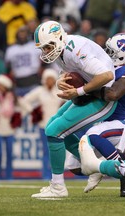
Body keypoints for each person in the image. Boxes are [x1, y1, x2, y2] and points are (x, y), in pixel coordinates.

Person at [31, 20, 117, 198]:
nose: (46, 52)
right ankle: (93, 166)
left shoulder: (75, 49)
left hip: (103, 96)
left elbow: (107, 75)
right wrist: (59, 80)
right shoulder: (63, 49)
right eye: (43, 48)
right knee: (53, 125)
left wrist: (78, 91)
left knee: (54, 131)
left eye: (48, 46)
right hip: (90, 92)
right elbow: (72, 72)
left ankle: (58, 187)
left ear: (60, 37)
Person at [66, 33, 125, 197]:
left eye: (110, 50)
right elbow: (84, 99)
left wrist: (86, 88)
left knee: (92, 134)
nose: (106, 53)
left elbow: (112, 94)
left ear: (123, 53)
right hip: (105, 125)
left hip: (123, 125)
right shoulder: (105, 69)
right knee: (74, 165)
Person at [23, 69, 65, 179]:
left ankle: (57, 173)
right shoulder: (39, 91)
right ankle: (46, 174)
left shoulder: (58, 91)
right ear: (44, 80)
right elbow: (25, 100)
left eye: (51, 79)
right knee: (46, 151)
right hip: (43, 126)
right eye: (47, 79)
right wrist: (32, 111)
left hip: (56, 126)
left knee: (56, 150)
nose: (49, 81)